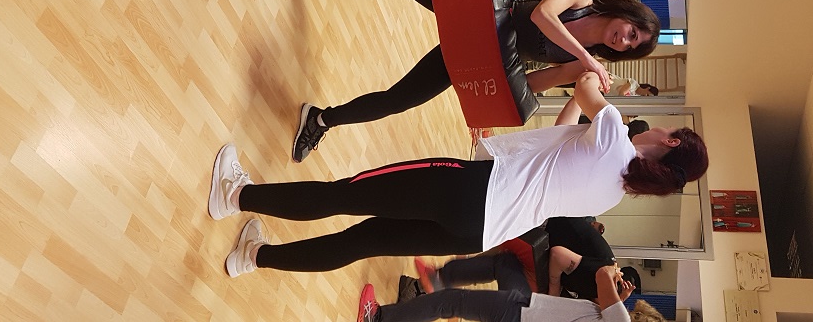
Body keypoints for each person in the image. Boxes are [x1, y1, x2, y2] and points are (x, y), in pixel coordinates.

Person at [208, 71, 709, 275]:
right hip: (478, 232)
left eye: (672, 128)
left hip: (470, 190)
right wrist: (585, 98)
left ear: (671, 142)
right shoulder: (611, 194)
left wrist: (597, 79)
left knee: (345, 195)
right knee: (361, 241)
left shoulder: (614, 132)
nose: (664, 123)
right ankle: (255, 256)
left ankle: (236, 196)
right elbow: (564, 134)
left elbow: (583, 88)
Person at [286, 0, 661, 163]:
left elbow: (531, 83)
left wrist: (492, 107)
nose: (624, 41)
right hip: (478, 12)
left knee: (397, 100)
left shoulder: (580, 63)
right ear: (627, 15)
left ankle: (321, 120)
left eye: (632, 46)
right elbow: (542, 15)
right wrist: (589, 59)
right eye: (632, 32)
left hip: (480, 54)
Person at [357, 259, 645, 322]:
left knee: (451, 302)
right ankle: (433, 282)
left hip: (521, 314)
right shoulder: (615, 317)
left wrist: (613, 270)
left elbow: (602, 274)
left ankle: (380, 318)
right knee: (505, 265)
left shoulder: (621, 321)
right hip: (526, 309)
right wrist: (617, 300)